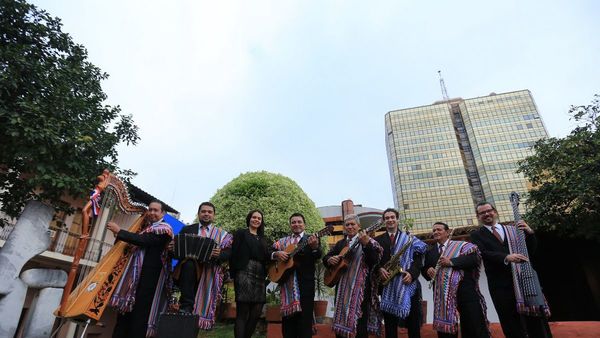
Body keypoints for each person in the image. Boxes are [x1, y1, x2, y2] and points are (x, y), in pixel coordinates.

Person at [470, 202, 552, 338]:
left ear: (495, 212)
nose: (486, 214)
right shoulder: (476, 235)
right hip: (500, 285)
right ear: (478, 216)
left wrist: (530, 233)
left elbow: (529, 251)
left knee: (534, 318)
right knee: (510, 321)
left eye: (488, 211)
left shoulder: (513, 230)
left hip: (523, 280)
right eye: (482, 213)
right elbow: (483, 253)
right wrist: (506, 257)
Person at [107, 200, 174, 338]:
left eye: (156, 210)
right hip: (134, 277)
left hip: (149, 278)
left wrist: (120, 231)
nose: (152, 213)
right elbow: (137, 240)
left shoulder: (164, 229)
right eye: (150, 210)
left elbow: (145, 240)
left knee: (139, 316)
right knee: (124, 316)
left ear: (163, 213)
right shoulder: (147, 228)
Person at [421, 222, 489, 338]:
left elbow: (474, 260)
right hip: (442, 295)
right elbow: (425, 270)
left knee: (473, 325)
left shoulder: (462, 245)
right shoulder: (430, 252)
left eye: (439, 229)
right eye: (434, 230)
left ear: (447, 232)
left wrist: (451, 262)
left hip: (465, 292)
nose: (436, 232)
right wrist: (428, 271)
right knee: (446, 332)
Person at [174, 201, 232, 329]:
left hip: (209, 271)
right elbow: (177, 250)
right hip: (188, 272)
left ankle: (197, 319)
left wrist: (220, 253)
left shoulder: (221, 235)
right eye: (203, 211)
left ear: (214, 215)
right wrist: (173, 248)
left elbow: (229, 252)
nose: (206, 214)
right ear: (199, 214)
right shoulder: (187, 229)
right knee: (189, 264)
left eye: (209, 212)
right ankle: (186, 307)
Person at [323, 214, 382, 338]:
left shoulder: (369, 241)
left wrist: (366, 245)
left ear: (359, 226)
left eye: (352, 224)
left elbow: (374, 262)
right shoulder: (340, 244)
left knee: (360, 323)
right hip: (341, 289)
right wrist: (329, 260)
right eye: (347, 225)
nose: (350, 227)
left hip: (360, 290)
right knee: (340, 319)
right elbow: (326, 257)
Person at [374, 208, 427, 338]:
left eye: (392, 217)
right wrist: (379, 269)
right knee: (390, 325)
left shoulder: (409, 238)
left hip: (407, 283)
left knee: (413, 323)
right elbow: (373, 260)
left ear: (397, 219)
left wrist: (412, 274)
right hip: (387, 285)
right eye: (387, 218)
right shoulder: (377, 240)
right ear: (383, 221)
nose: (390, 220)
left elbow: (418, 259)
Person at [271, 213, 322, 338]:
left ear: (304, 224)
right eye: (293, 222)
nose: (296, 224)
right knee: (288, 325)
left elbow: (318, 255)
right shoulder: (283, 241)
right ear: (290, 225)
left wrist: (315, 247)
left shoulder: (311, 239)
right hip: (287, 287)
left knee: (304, 323)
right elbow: (269, 250)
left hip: (305, 285)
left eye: (299, 222)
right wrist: (277, 254)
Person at [229, 210, 270, 338]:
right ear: (249, 218)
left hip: (260, 274)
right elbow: (233, 253)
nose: (256, 220)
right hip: (243, 272)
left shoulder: (263, 238)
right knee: (243, 312)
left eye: (259, 218)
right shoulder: (241, 233)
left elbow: (267, 256)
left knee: (256, 312)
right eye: (254, 217)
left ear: (261, 221)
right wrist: (233, 273)